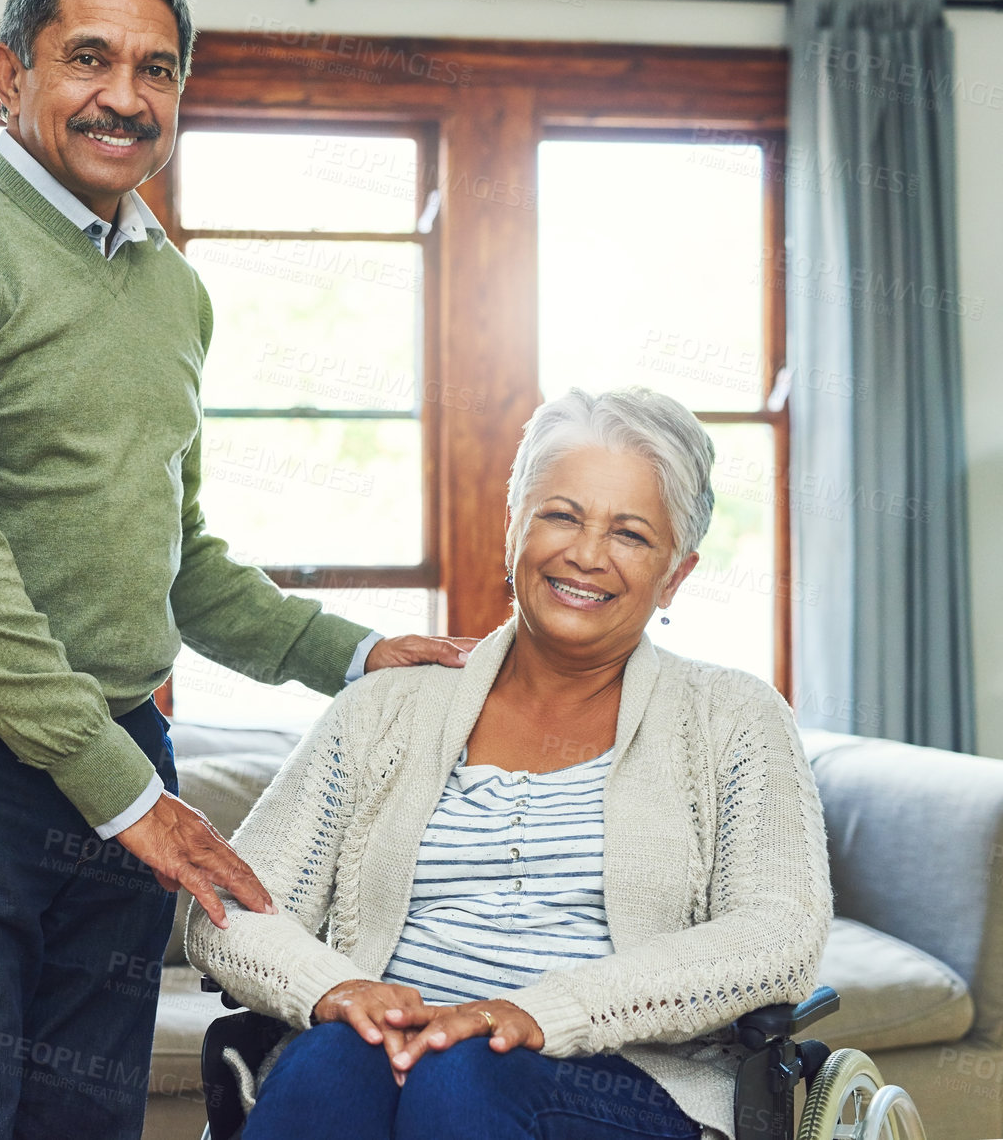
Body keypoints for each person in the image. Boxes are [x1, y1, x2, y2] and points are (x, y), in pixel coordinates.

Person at [0, 0, 468, 1140]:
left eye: (158, 69)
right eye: (89, 59)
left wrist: (354, 653)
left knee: (84, 1118)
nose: (125, 96)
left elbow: (180, 554)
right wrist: (130, 799)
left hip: (115, 748)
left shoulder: (169, 283)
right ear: (7, 75)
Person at [187, 386, 833, 1140]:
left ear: (675, 575)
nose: (586, 555)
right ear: (512, 526)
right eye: (561, 515)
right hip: (381, 1056)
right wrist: (339, 991)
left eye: (629, 534)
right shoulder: (384, 708)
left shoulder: (734, 717)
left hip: (624, 1084)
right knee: (334, 1061)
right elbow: (228, 907)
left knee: (461, 1075)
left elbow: (779, 935)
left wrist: (541, 1014)